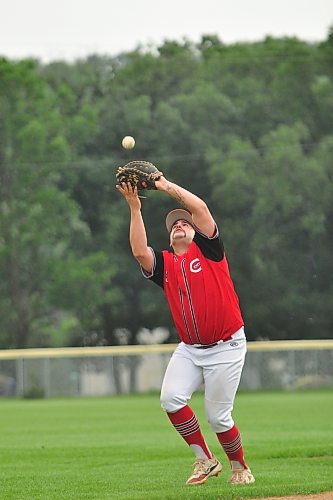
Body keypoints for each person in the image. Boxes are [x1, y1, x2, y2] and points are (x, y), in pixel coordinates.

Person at [116, 174, 255, 486]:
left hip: (226, 345)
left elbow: (201, 208)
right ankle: (205, 459)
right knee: (171, 399)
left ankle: (240, 467)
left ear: (197, 232)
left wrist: (164, 185)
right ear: (169, 238)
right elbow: (140, 252)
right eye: (174, 226)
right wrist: (135, 208)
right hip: (191, 349)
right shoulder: (165, 265)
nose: (179, 225)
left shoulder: (209, 252)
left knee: (219, 418)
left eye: (185, 224)